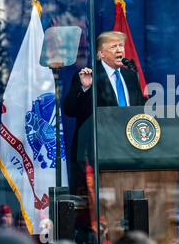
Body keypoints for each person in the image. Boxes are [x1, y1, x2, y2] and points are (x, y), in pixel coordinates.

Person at [63, 31, 147, 196]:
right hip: (99, 156)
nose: (119, 50)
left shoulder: (130, 75)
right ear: (100, 54)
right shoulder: (88, 76)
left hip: (130, 153)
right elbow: (69, 110)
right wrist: (85, 88)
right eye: (113, 46)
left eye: (121, 46)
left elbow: (140, 109)